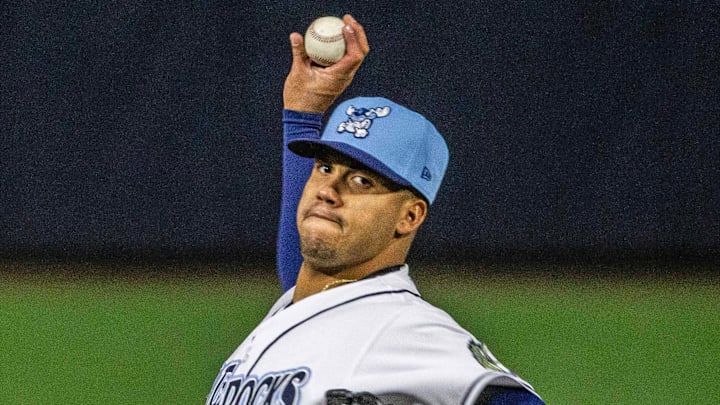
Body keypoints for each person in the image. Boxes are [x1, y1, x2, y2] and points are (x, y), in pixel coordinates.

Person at [207, 15, 544, 405]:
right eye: (325, 168)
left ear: (410, 216)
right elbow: (305, 266)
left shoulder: (409, 333)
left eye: (361, 182)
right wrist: (303, 114)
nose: (328, 191)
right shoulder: (307, 304)